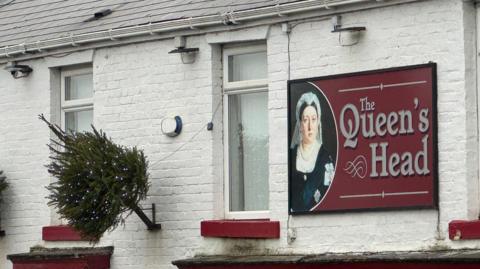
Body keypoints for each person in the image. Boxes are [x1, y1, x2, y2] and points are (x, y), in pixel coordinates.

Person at [290, 92, 335, 212]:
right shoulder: (291, 156)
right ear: (300, 124)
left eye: (313, 119)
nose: (310, 126)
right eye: (305, 120)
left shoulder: (326, 158)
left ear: (318, 122)